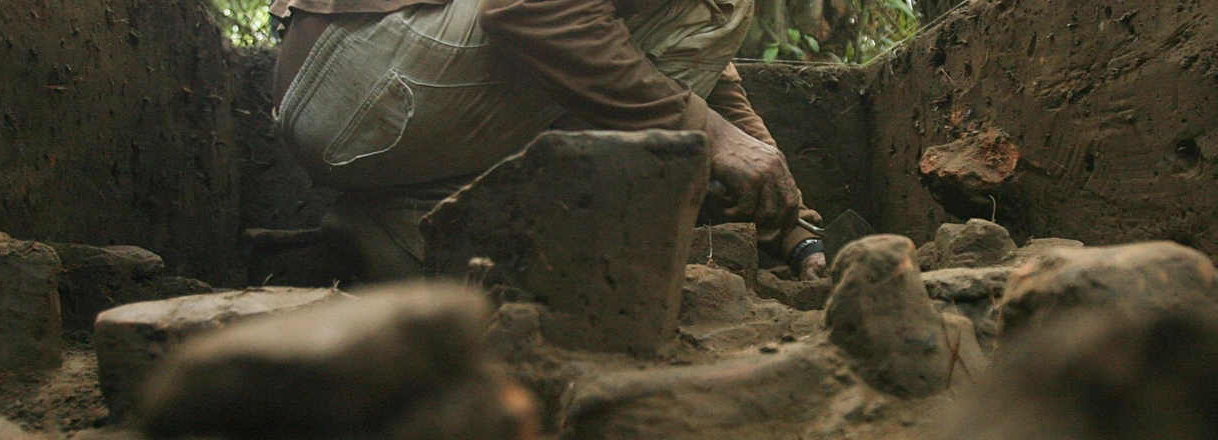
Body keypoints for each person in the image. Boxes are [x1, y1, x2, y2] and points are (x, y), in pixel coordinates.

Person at [266, 0, 828, 283]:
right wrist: (707, 132)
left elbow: (705, 67)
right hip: (371, 72)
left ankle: (398, 222)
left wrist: (786, 216)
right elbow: (534, 9)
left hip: (362, 93)